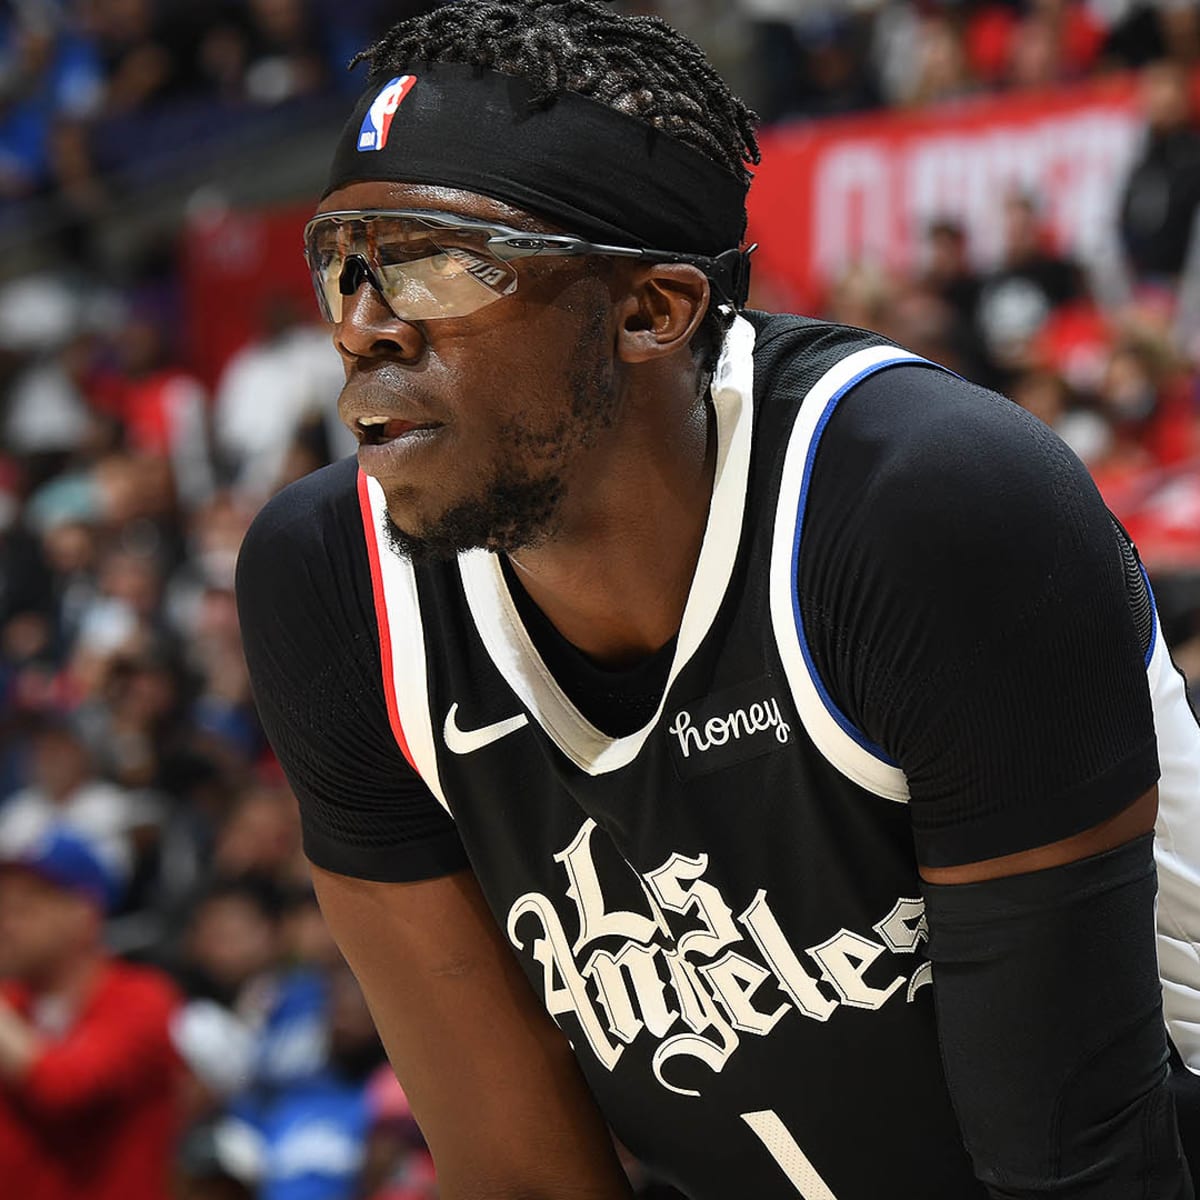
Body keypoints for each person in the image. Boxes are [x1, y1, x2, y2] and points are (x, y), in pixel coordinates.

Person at [234, 2, 1200, 1197]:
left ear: (652, 311)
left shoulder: (924, 509)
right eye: (342, 267)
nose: (363, 328)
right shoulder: (333, 588)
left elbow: (1080, 1167)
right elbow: (523, 1179)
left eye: (434, 264)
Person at [0, 824, 183, 1199]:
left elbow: (65, 1089)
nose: (6, 925)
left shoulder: (141, 998)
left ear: (84, 913)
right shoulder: (12, 1005)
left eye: (23, 908)